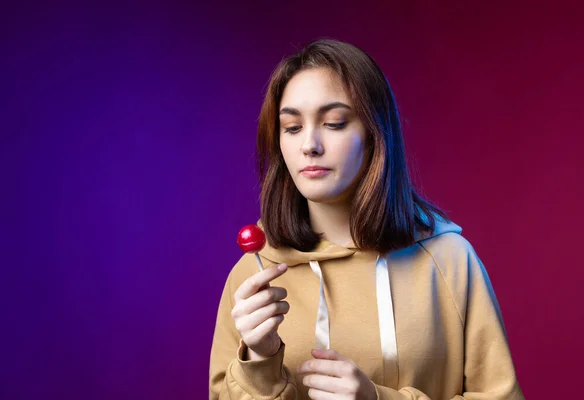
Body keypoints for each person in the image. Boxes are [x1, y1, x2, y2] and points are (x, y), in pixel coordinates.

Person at [209, 39, 524, 400]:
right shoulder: (253, 274)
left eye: (334, 122)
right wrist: (260, 360)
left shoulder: (450, 261)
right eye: (292, 127)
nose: (309, 144)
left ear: (375, 134)